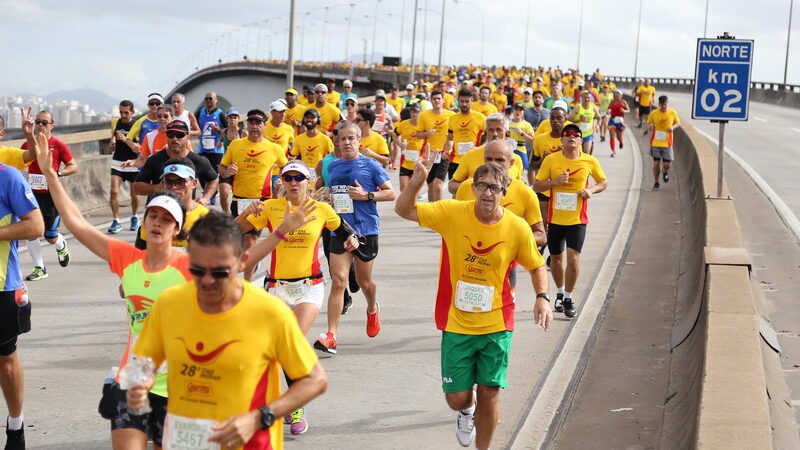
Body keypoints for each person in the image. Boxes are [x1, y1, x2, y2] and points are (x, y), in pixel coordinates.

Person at [31, 129, 189, 450]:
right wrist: (50, 173)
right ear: (144, 222)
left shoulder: (191, 267)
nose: (158, 222)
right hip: (132, 380)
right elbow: (77, 223)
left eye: (167, 218)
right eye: (152, 215)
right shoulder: (128, 259)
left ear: (178, 227)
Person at [126, 207, 327, 450]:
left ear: (242, 262)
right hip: (185, 441)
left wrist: (260, 417)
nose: (207, 281)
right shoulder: (170, 304)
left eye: (220, 272)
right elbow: (145, 359)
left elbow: (315, 380)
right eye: (198, 270)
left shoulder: (269, 312)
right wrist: (140, 384)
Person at [395, 158, 552, 450]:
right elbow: (403, 209)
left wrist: (542, 297)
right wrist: (417, 181)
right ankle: (467, 410)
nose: (489, 193)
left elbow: (536, 264)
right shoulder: (453, 212)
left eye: (495, 187)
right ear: (473, 188)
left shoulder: (517, 228)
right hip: (458, 322)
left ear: (505, 192)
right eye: (483, 186)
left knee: (491, 392)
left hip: (497, 322)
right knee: (456, 398)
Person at [236, 161, 359, 435]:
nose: (293, 182)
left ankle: (294, 406)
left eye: (299, 178)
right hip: (276, 288)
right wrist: (246, 212)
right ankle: (281, 404)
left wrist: (353, 241)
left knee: (289, 340)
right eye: (288, 178)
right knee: (273, 349)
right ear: (282, 181)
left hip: (309, 287)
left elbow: (345, 232)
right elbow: (231, 232)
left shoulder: (322, 209)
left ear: (308, 181)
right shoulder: (269, 207)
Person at [313, 122, 395, 355]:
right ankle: (331, 335)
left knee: (364, 282)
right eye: (343, 139)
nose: (347, 142)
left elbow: (390, 193)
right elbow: (329, 191)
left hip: (366, 229)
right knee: (338, 281)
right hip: (340, 228)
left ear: (359, 141)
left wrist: (367, 195)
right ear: (337, 142)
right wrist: (325, 199)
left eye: (352, 138)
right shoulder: (333, 167)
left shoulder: (370, 165)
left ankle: (371, 307)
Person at [533, 123, 607, 317]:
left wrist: (590, 190)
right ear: (562, 140)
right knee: (556, 259)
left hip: (577, 219)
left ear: (581, 140)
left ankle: (568, 297)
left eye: (576, 134)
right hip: (555, 218)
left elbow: (603, 182)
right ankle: (558, 292)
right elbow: (537, 186)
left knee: (573, 259)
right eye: (567, 134)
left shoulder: (589, 161)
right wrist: (555, 182)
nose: (571, 136)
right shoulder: (551, 160)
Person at [0, 135, 43, 450]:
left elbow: (35, 227)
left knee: (6, 361)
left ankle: (15, 425)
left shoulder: (9, 177)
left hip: (2, 285)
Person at [220, 109, 287, 280]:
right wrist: (227, 170)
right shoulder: (236, 145)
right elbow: (221, 168)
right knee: (238, 242)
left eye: (258, 122)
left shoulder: (274, 148)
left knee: (250, 241)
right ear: (247, 124)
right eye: (251, 122)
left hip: (261, 202)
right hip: (239, 200)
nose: (254, 126)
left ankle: (247, 284)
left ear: (265, 126)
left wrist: (282, 183)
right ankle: (251, 259)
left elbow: (287, 169)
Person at [21, 111, 78, 281]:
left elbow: (74, 166)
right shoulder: (27, 145)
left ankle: (61, 245)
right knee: (31, 232)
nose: (40, 125)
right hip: (31, 195)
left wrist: (58, 173)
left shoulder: (58, 145)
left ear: (52, 125)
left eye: (44, 122)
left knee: (50, 236)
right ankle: (40, 268)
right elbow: (18, 164)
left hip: (52, 195)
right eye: (38, 121)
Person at [134, 120, 218, 205]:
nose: (174, 139)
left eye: (179, 135)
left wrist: (205, 198)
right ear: (166, 137)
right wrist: (157, 188)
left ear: (187, 137)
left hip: (186, 212)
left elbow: (213, 179)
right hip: (160, 210)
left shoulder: (199, 161)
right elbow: (136, 188)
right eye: (170, 135)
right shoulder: (154, 159)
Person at [135, 158, 210, 250]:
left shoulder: (206, 218)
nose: (174, 187)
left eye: (180, 182)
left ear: (194, 183)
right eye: (168, 182)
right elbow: (141, 254)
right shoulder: (154, 214)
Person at [108, 100, 141, 234]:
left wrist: (125, 139)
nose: (123, 115)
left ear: (132, 113)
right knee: (114, 191)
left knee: (134, 195)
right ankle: (116, 220)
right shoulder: (115, 122)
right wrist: (112, 142)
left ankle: (134, 216)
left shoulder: (137, 125)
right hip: (118, 162)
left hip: (132, 162)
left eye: (126, 112)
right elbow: (112, 137)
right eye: (121, 112)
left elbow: (138, 149)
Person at [418, 91, 455, 201]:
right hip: (429, 154)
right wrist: (427, 133)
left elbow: (455, 135)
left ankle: (438, 211)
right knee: (430, 186)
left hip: (444, 154)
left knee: (437, 185)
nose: (437, 100)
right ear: (431, 100)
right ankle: (432, 210)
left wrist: (449, 149)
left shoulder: (451, 115)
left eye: (439, 98)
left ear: (443, 100)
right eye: (434, 99)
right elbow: (418, 135)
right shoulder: (424, 115)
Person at [445, 89, 486, 181]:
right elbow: (450, 139)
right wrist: (446, 150)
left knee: (474, 190)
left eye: (467, 101)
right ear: (458, 101)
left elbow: (489, 138)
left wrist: (481, 147)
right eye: (462, 101)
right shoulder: (452, 119)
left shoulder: (481, 118)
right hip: (456, 160)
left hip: (474, 160)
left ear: (472, 101)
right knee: (455, 191)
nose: (464, 104)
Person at [196, 91, 227, 203]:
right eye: (207, 99)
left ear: (215, 100)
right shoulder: (200, 112)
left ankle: (212, 196)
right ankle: (206, 192)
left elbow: (227, 130)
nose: (208, 101)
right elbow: (194, 125)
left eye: (211, 98)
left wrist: (219, 133)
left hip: (216, 149)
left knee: (213, 173)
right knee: (200, 171)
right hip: (202, 147)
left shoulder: (220, 113)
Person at [647, 95, 680, 191]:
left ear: (667, 104)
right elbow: (648, 123)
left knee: (667, 164)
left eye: (665, 105)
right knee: (656, 163)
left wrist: (672, 128)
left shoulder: (672, 112)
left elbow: (678, 123)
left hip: (667, 143)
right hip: (655, 142)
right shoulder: (654, 113)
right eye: (662, 105)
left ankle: (665, 171)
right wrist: (649, 127)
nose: (664, 107)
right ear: (659, 104)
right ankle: (656, 182)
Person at [394, 103, 425, 191]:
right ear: (410, 113)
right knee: (403, 188)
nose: (415, 114)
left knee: (413, 189)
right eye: (413, 112)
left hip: (418, 160)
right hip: (405, 160)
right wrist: (400, 145)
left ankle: (411, 204)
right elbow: (394, 135)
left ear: (420, 113)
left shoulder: (423, 125)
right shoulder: (404, 124)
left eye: (417, 112)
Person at [218, 108, 243, 214]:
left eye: (235, 118)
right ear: (227, 119)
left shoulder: (243, 133)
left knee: (240, 196)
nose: (233, 120)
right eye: (230, 118)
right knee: (224, 193)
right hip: (226, 166)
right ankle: (226, 215)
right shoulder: (223, 132)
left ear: (238, 119)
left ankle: (241, 216)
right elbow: (221, 141)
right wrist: (219, 143)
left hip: (240, 167)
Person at [508, 103, 535, 173]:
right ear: (513, 111)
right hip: (508, 149)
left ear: (523, 112)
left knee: (523, 169)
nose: (518, 112)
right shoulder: (507, 123)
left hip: (520, 149)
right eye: (516, 109)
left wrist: (522, 133)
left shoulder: (526, 125)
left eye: (520, 110)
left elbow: (532, 140)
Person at [607, 90, 630, 157]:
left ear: (621, 95)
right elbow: (608, 108)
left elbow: (628, 110)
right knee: (612, 135)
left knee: (618, 136)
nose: (617, 95)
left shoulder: (623, 102)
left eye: (618, 94)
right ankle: (613, 151)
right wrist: (608, 111)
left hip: (620, 121)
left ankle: (621, 141)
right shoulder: (612, 101)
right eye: (616, 94)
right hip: (612, 120)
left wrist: (624, 111)